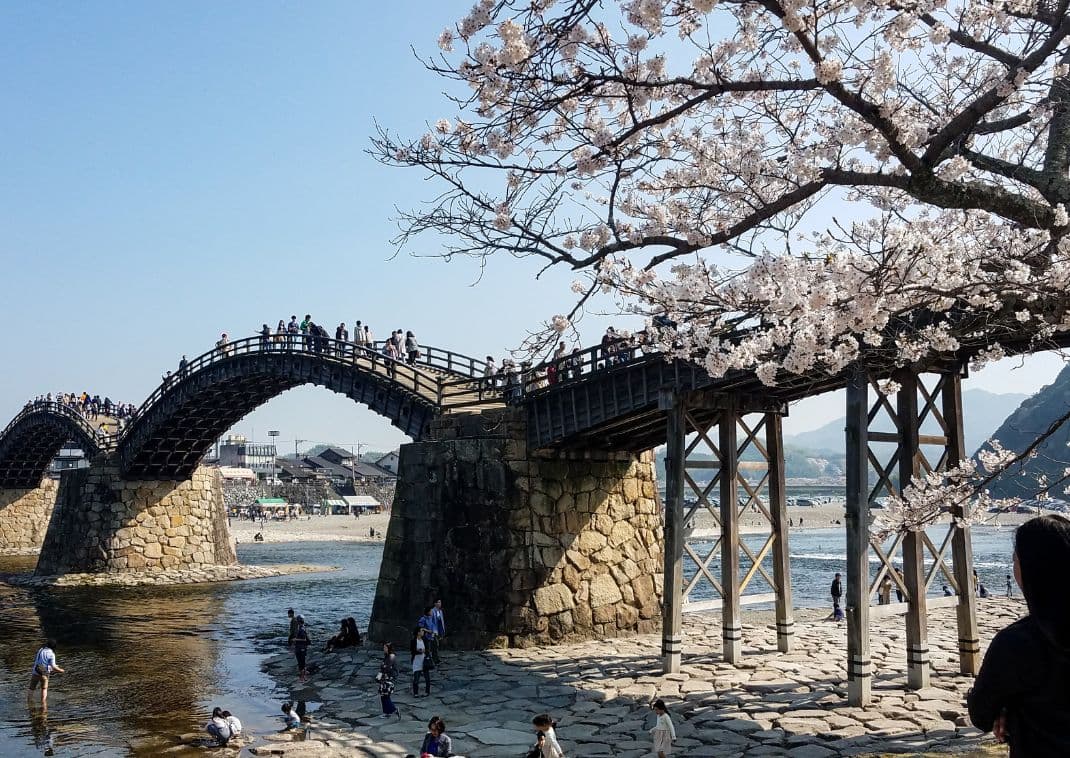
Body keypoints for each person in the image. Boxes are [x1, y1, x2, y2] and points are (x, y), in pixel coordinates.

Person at [968, 515, 1070, 756]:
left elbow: (981, 714)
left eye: (1015, 560)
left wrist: (1005, 709)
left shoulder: (1017, 642)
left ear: (1030, 568)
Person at [27, 639, 65, 705]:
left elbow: (40, 661)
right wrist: (61, 670)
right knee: (44, 689)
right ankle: (43, 704)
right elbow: (53, 666)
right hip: (44, 674)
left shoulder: (40, 650)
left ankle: (29, 703)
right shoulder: (52, 654)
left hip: (36, 672)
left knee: (31, 688)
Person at [378, 643, 402, 719]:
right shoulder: (386, 656)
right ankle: (386, 712)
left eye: (385, 648)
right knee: (383, 696)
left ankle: (394, 710)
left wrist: (384, 667)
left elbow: (387, 667)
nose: (384, 649)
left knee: (386, 696)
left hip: (389, 679)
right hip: (384, 678)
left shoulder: (391, 656)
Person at [411, 627, 431, 697]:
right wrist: (419, 651)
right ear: (418, 632)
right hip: (417, 661)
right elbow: (412, 651)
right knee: (416, 678)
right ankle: (415, 693)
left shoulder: (424, 640)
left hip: (424, 661)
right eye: (422, 631)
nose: (423, 632)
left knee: (427, 678)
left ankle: (427, 691)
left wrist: (425, 652)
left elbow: (428, 649)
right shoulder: (414, 641)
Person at [293, 614, 311, 680]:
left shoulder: (301, 629)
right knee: (302, 661)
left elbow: (304, 639)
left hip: (301, 647)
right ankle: (303, 673)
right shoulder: (303, 627)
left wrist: (295, 639)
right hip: (301, 647)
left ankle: (302, 675)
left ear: (298, 621)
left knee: (301, 661)